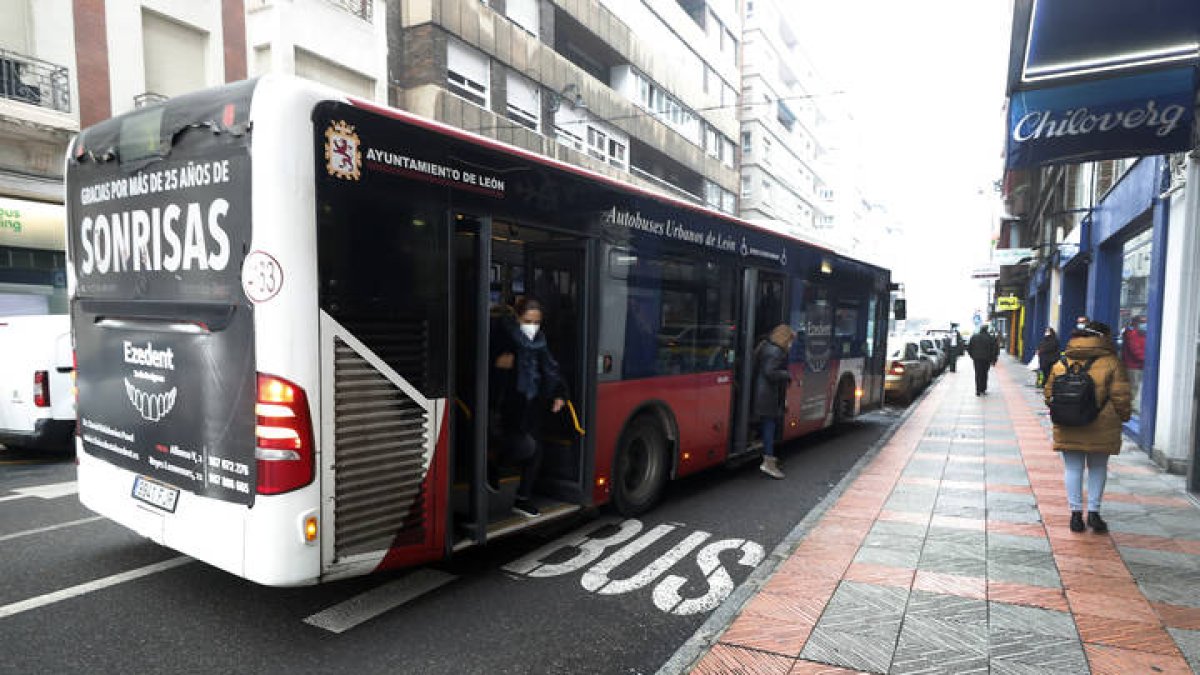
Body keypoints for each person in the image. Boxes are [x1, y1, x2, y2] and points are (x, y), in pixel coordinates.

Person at [1043, 321, 1132, 533]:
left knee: (1073, 468)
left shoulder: (1061, 362)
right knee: (1098, 467)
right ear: (1103, 337)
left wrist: (1067, 409)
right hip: (1102, 424)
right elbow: (1121, 396)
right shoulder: (1112, 362)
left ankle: (1075, 516)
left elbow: (1049, 394)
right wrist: (1124, 416)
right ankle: (1094, 513)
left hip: (1068, 423)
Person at [489, 297, 566, 518]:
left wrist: (559, 393)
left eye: (537, 322)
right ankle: (491, 463)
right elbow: (481, 368)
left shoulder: (540, 340)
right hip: (507, 405)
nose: (533, 327)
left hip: (532, 404)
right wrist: (498, 367)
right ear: (517, 318)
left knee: (536, 452)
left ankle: (522, 498)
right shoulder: (502, 337)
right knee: (519, 446)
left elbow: (550, 368)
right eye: (528, 321)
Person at [752, 324, 795, 479]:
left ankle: (770, 458)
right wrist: (786, 374)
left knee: (768, 425)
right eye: (791, 341)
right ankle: (768, 462)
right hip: (767, 395)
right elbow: (770, 372)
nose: (791, 344)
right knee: (770, 427)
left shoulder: (766, 346)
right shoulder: (777, 352)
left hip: (762, 392)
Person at [966, 324, 999, 396]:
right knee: (984, 374)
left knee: (978, 374)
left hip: (977, 359)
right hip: (987, 359)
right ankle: (983, 389)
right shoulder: (990, 338)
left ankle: (978, 390)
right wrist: (993, 359)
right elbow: (995, 350)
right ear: (987, 330)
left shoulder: (974, 337)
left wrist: (973, 356)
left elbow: (969, 348)